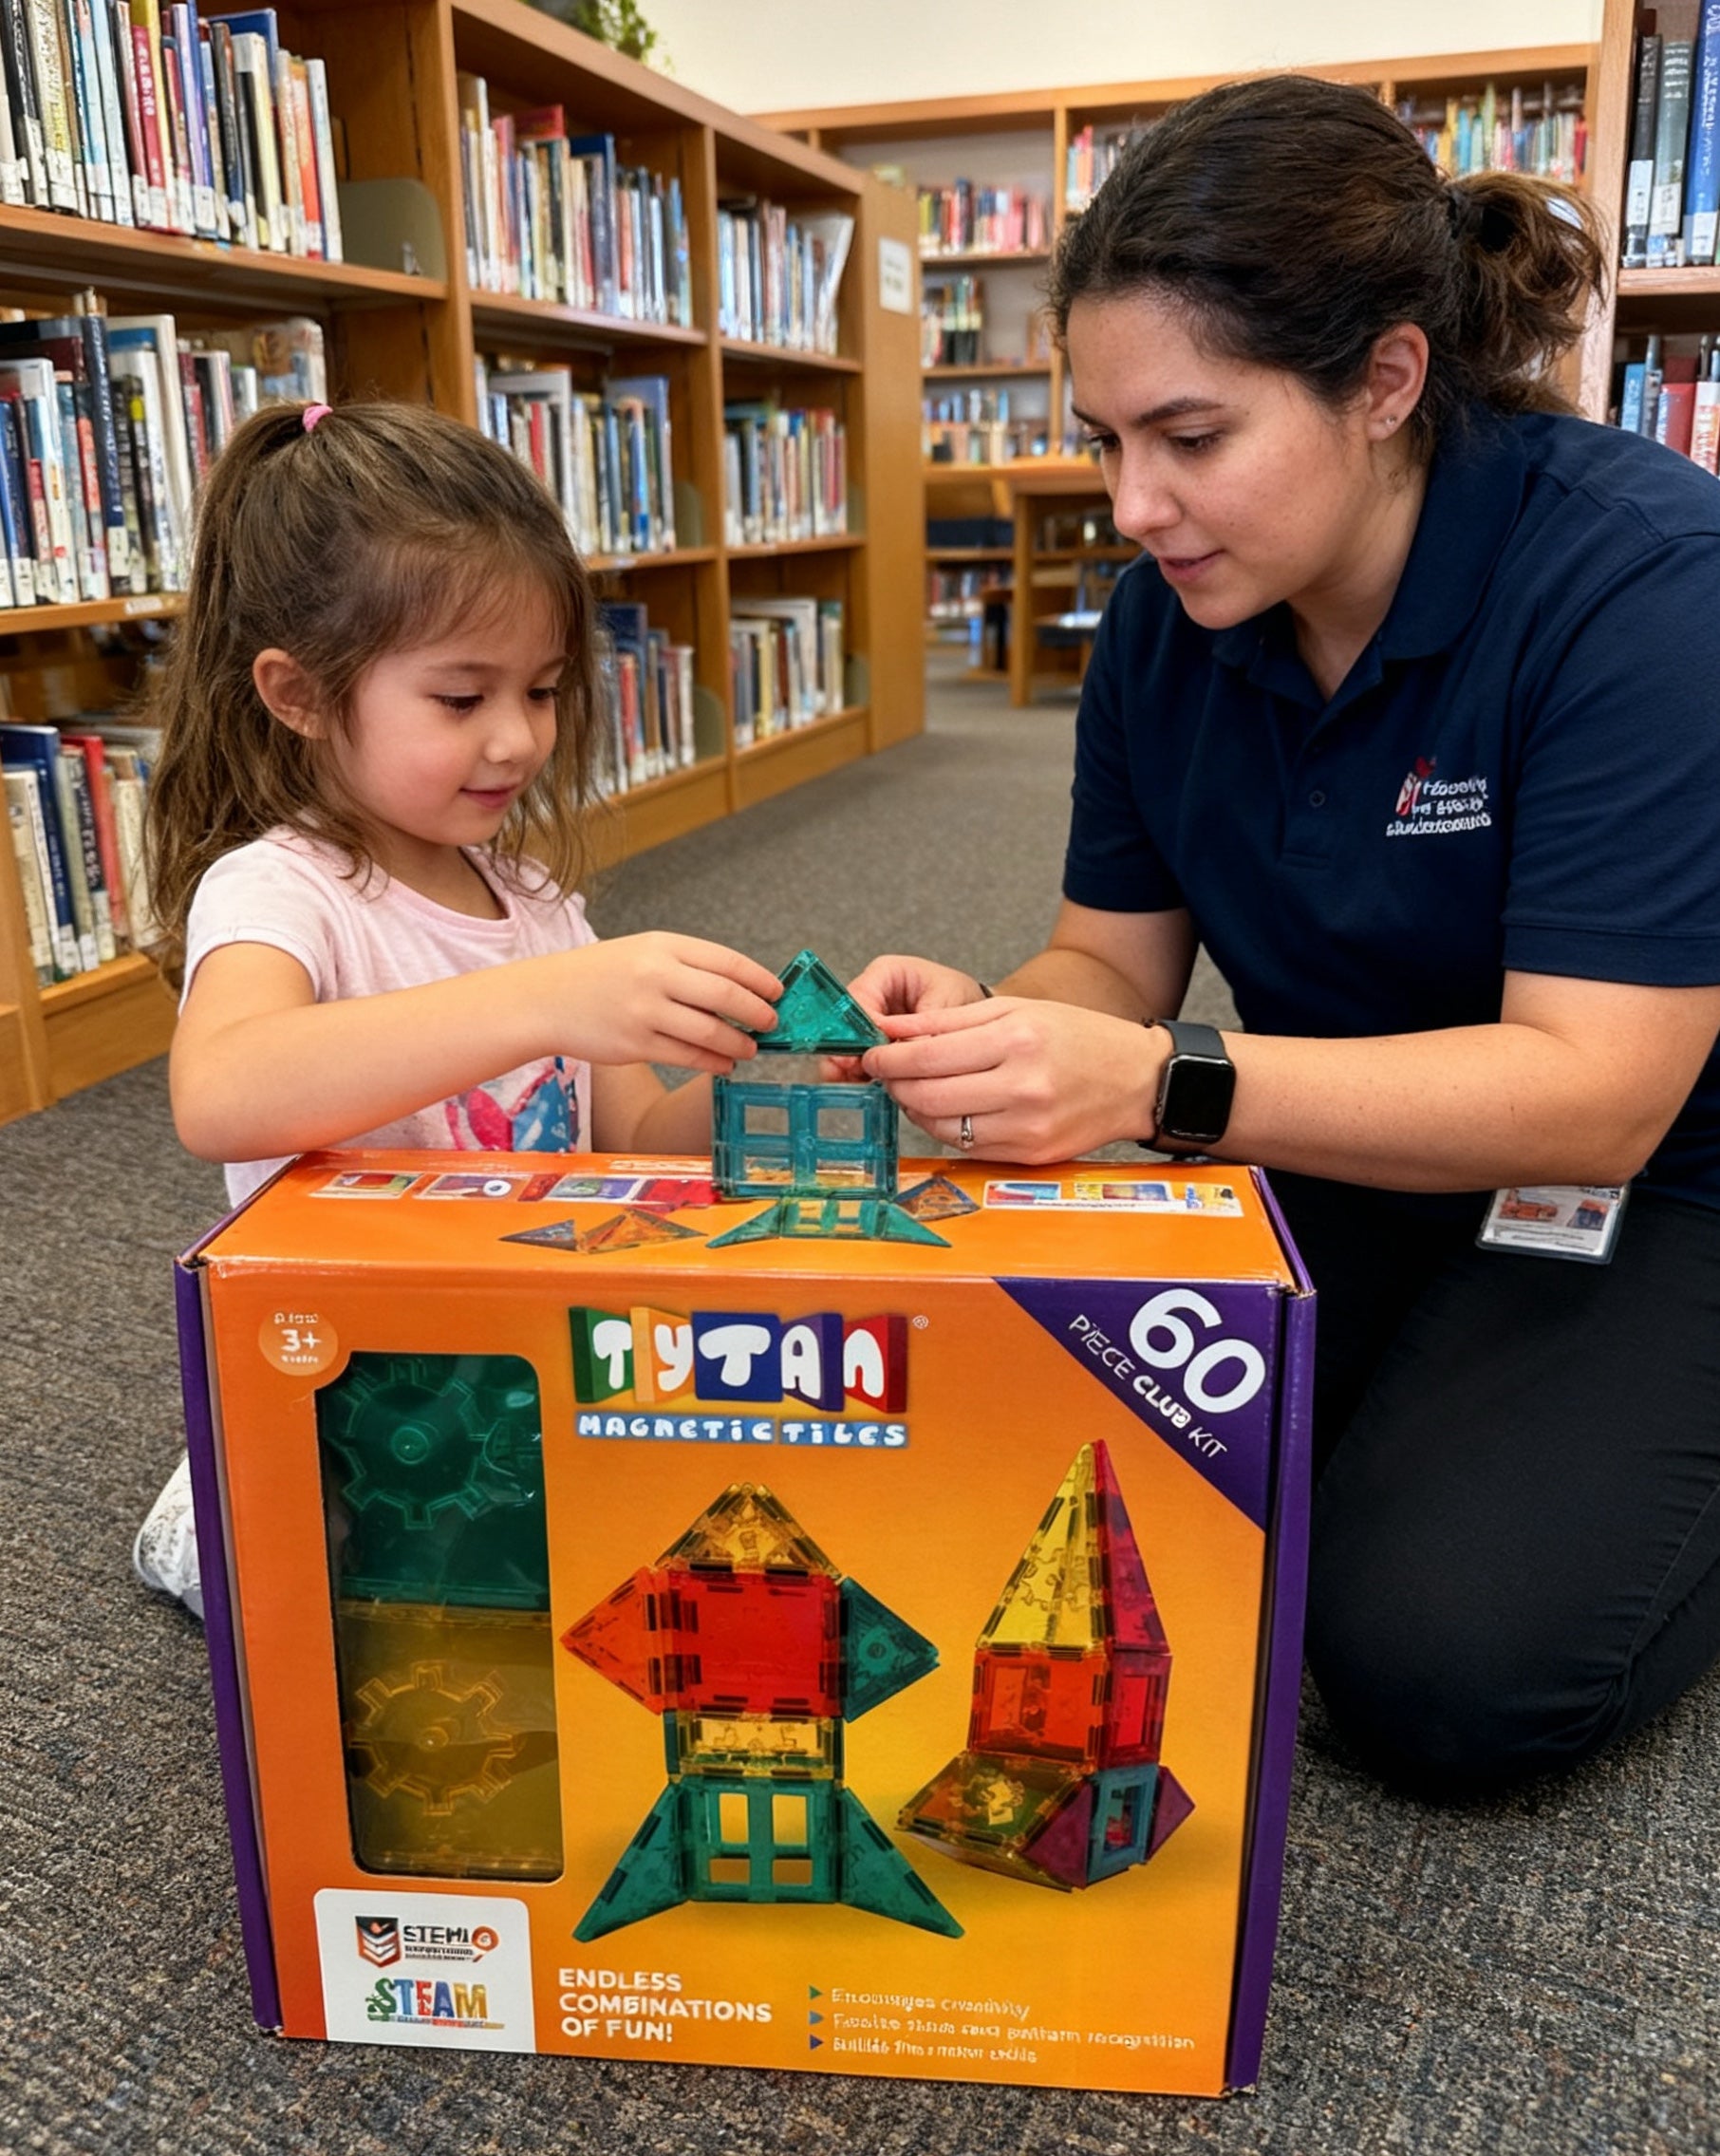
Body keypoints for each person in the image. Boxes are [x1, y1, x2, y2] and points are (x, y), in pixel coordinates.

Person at [851, 75, 1720, 1799]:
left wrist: (1156, 1087)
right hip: (1324, 1131)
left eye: (1189, 438)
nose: (1131, 507)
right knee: (1036, 1494)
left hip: (1654, 1178)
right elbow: (1109, 965)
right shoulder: (1167, 625)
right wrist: (990, 1027)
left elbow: (1594, 1096)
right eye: (1104, 442)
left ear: (1386, 380)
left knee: (1439, 1670)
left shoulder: (1644, 585)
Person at [131, 399, 780, 1615]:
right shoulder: (279, 890)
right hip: (355, 1371)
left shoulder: (532, 897)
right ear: (301, 694)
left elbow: (630, 1139)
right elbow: (221, 1091)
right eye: (460, 697)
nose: (520, 738)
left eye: (540, 691)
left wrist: (771, 1070)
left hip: (522, 1349)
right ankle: (199, 1509)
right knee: (357, 1603)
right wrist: (541, 999)